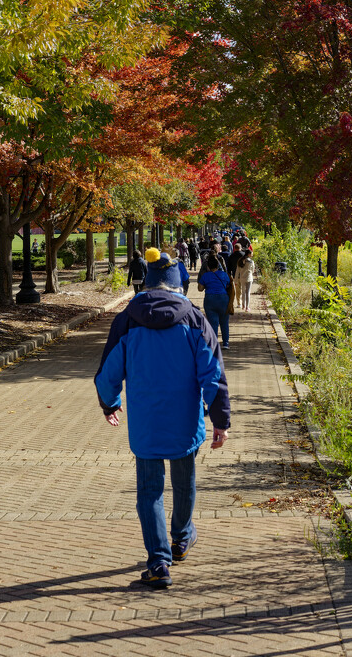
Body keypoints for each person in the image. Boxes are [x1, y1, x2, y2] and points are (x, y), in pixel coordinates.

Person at [95, 251, 231, 589]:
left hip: (146, 423)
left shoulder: (127, 319)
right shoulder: (195, 320)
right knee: (184, 482)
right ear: (178, 284)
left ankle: (158, 562)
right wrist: (220, 420)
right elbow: (213, 375)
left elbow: (108, 372)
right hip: (185, 419)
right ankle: (182, 539)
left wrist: (109, 403)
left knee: (149, 491)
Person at [197, 253, 231, 348]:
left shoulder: (205, 276)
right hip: (223, 299)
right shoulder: (224, 275)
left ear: (208, 266)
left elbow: (200, 288)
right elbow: (228, 285)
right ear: (218, 265)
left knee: (213, 322)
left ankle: (214, 343)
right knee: (224, 322)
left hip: (210, 299)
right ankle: (225, 343)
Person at [235, 248, 256, 312]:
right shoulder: (251, 262)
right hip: (249, 278)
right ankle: (247, 307)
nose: (252, 254)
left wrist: (235, 281)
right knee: (248, 292)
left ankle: (243, 305)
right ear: (249, 254)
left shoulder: (240, 260)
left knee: (243, 292)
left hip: (242, 278)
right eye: (251, 253)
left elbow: (237, 271)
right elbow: (252, 271)